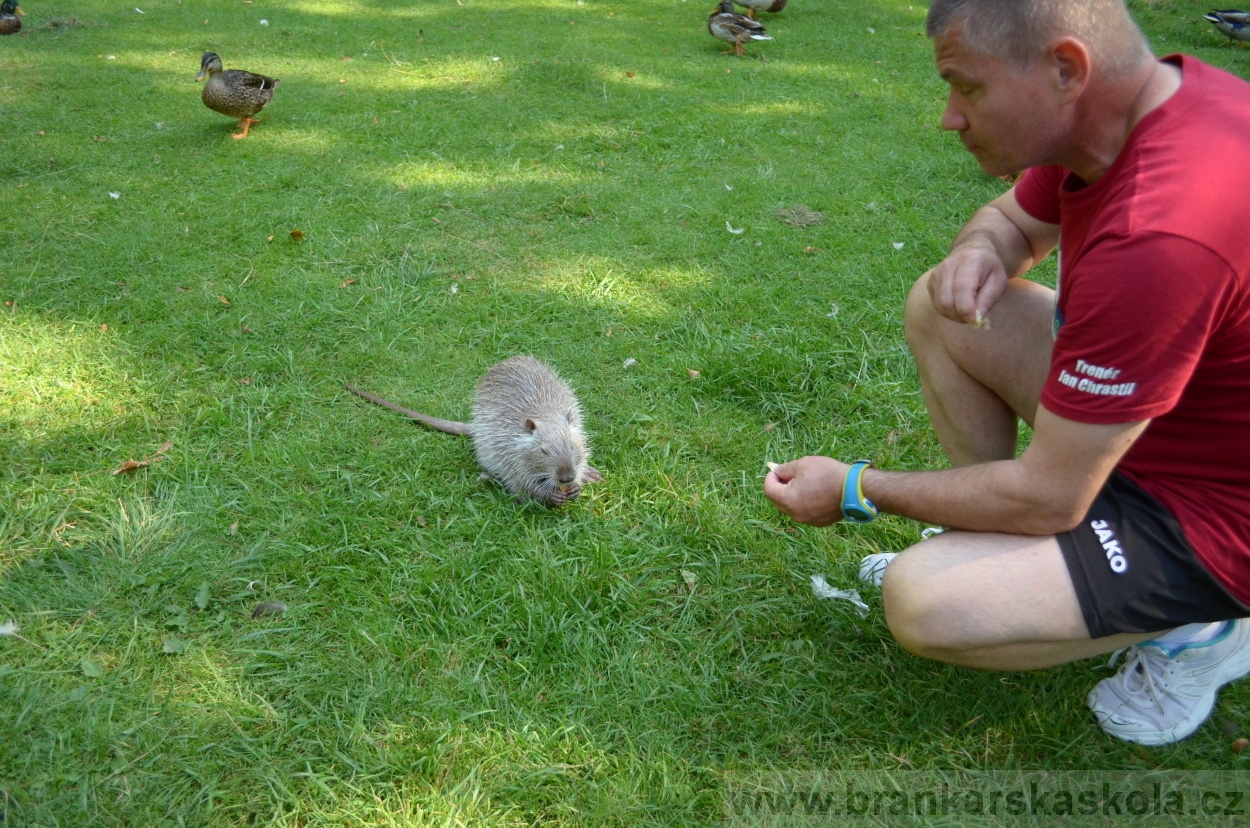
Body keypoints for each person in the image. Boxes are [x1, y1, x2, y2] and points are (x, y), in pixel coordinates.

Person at [764, 0, 1250, 747]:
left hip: (1216, 516)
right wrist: (979, 252)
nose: (950, 118)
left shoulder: (1159, 233)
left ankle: (1204, 626)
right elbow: (1013, 222)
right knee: (939, 303)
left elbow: (1050, 497)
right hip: (1160, 428)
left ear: (1066, 68)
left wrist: (858, 487)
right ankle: (997, 547)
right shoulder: (1134, 112)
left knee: (925, 601)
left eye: (968, 87)